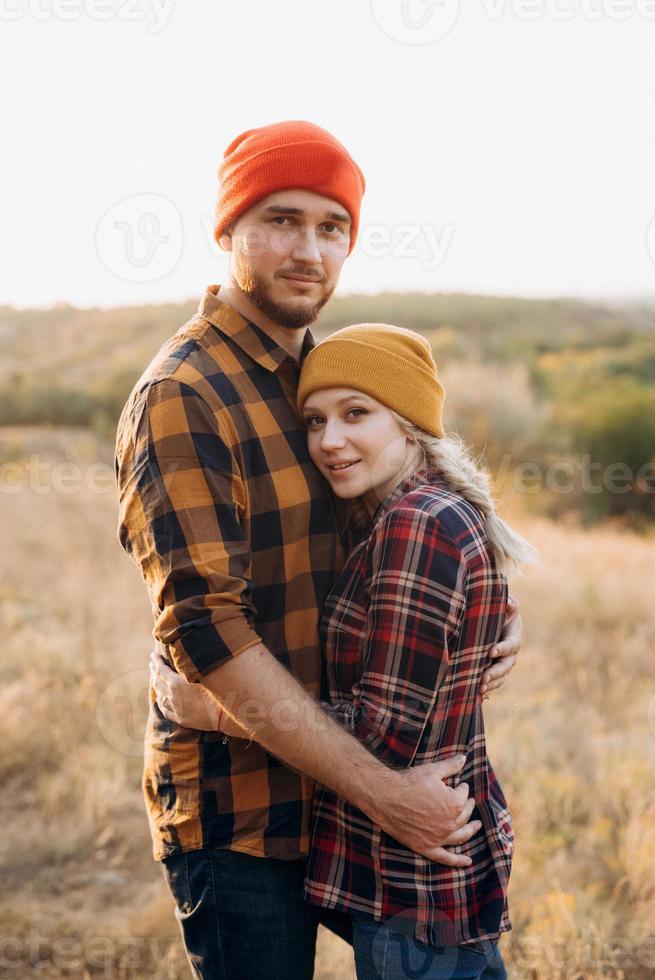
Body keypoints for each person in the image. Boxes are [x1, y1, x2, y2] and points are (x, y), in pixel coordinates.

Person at [116, 120, 523, 980]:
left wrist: (493, 614)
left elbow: (406, 511)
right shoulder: (183, 395)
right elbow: (209, 634)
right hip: (249, 815)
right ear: (226, 230)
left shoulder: (326, 376)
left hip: (351, 807)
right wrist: (385, 794)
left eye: (331, 227)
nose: (309, 249)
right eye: (280, 220)